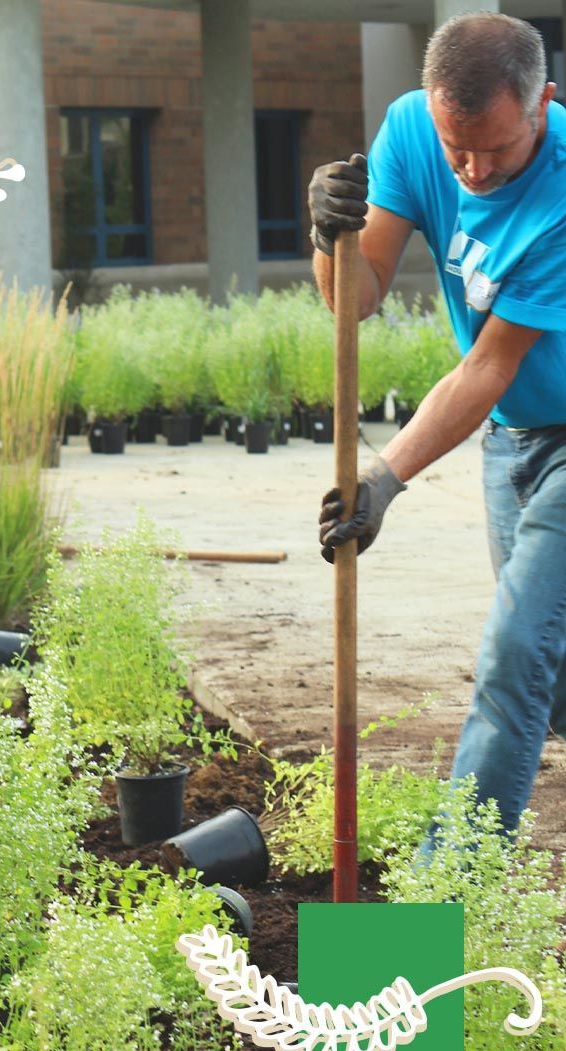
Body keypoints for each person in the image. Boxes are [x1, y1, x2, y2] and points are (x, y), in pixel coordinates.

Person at [311, 13, 566, 836]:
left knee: (515, 655)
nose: (474, 168)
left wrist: (385, 479)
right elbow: (354, 299)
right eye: (458, 147)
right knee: (550, 686)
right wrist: (329, 236)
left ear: (542, 105)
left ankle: (448, 879)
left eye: (496, 148)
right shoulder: (409, 131)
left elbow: (489, 367)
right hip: (512, 443)